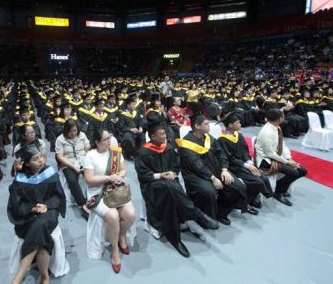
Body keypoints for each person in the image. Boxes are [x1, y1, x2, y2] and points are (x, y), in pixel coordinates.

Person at [135, 122, 219, 258]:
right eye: (162, 134)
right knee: (170, 188)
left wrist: (173, 173)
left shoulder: (168, 148)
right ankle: (191, 218)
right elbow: (143, 175)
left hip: (170, 182)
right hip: (152, 185)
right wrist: (161, 175)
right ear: (153, 136)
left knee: (171, 188)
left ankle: (178, 233)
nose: (166, 136)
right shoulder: (143, 152)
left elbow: (176, 166)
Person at [7, 142, 66, 284]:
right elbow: (16, 205)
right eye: (35, 159)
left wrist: (47, 205)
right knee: (40, 231)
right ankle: (45, 277)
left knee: (41, 224)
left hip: (49, 212)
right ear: (26, 163)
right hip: (28, 217)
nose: (40, 160)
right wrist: (33, 208)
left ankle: (18, 278)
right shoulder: (20, 179)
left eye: (40, 157)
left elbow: (59, 197)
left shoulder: (50, 173)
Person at [177, 113, 247, 225]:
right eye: (206, 124)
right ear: (197, 126)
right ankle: (206, 218)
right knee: (207, 191)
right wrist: (213, 178)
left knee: (238, 186)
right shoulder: (186, 143)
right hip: (196, 175)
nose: (210, 126)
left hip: (216, 169)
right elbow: (197, 165)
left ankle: (221, 212)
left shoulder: (209, 138)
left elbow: (221, 154)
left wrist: (224, 169)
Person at [83, 129, 136, 273]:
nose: (109, 141)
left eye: (110, 138)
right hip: (98, 192)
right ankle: (114, 250)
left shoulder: (115, 152)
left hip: (115, 189)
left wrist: (119, 175)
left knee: (130, 214)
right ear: (97, 142)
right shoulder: (90, 156)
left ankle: (121, 235)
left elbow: (124, 170)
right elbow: (89, 180)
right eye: (106, 139)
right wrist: (108, 178)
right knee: (112, 216)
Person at [217, 114, 273, 211]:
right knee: (257, 181)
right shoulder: (222, 140)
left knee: (263, 177)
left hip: (244, 164)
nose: (240, 124)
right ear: (230, 125)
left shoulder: (239, 135)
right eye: (238, 123)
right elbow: (229, 158)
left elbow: (245, 151)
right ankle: (245, 203)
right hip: (233, 167)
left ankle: (251, 199)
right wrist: (246, 165)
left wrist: (249, 162)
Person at [255, 109, 308, 206]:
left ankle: (280, 187)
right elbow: (270, 154)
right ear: (280, 119)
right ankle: (278, 193)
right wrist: (287, 162)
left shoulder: (277, 128)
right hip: (266, 160)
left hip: (276, 157)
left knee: (303, 171)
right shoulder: (266, 132)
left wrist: (288, 158)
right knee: (294, 172)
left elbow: (282, 146)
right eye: (283, 116)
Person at [55, 118, 90, 219]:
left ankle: (92, 200)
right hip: (69, 163)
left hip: (83, 160)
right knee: (72, 180)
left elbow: (87, 148)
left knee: (90, 176)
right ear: (66, 130)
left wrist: (89, 158)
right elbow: (60, 157)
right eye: (70, 131)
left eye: (75, 130)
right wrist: (73, 167)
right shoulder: (60, 139)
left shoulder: (82, 135)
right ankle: (82, 204)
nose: (73, 133)